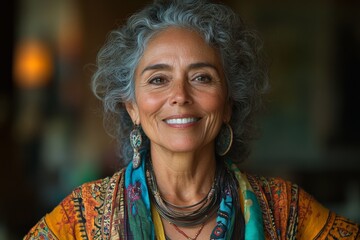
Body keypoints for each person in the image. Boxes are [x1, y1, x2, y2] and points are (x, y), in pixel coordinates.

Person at [25, 0, 359, 239]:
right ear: (132, 108)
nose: (180, 95)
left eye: (201, 77)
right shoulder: (82, 216)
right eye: (158, 79)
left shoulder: (286, 210)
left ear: (228, 103)